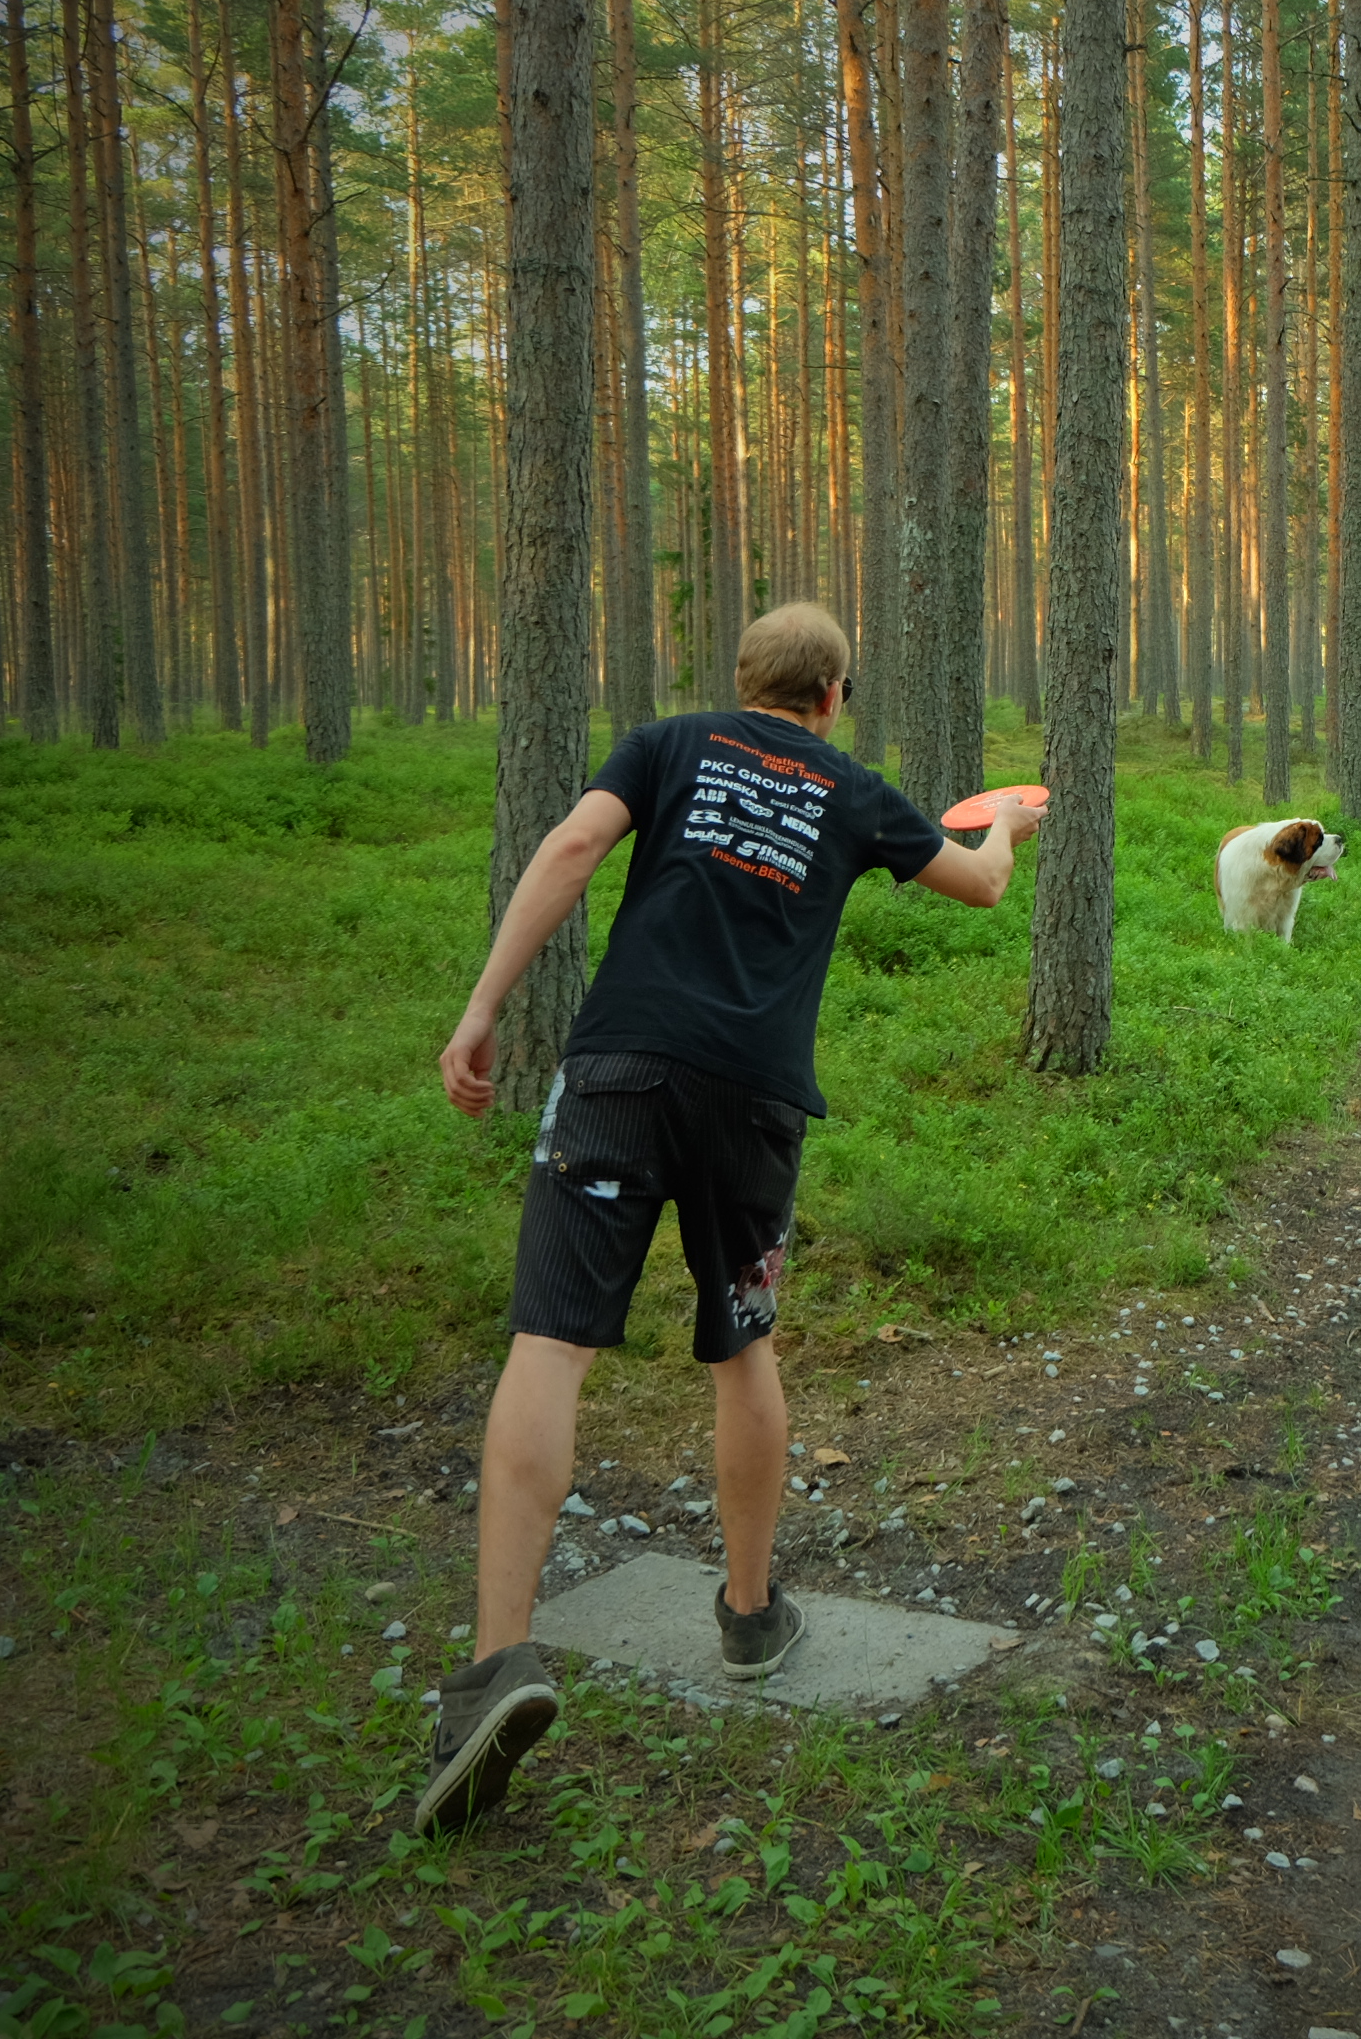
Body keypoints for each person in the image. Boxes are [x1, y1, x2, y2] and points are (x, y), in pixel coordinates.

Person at [415, 602, 1040, 1834]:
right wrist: (1007, 823)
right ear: (834, 695)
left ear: (744, 682)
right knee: (742, 1344)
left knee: (551, 1343)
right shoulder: (854, 789)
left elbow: (573, 850)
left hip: (616, 1076)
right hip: (751, 1105)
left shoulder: (666, 743)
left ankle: (496, 1668)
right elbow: (977, 890)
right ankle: (751, 1618)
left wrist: (483, 1006)